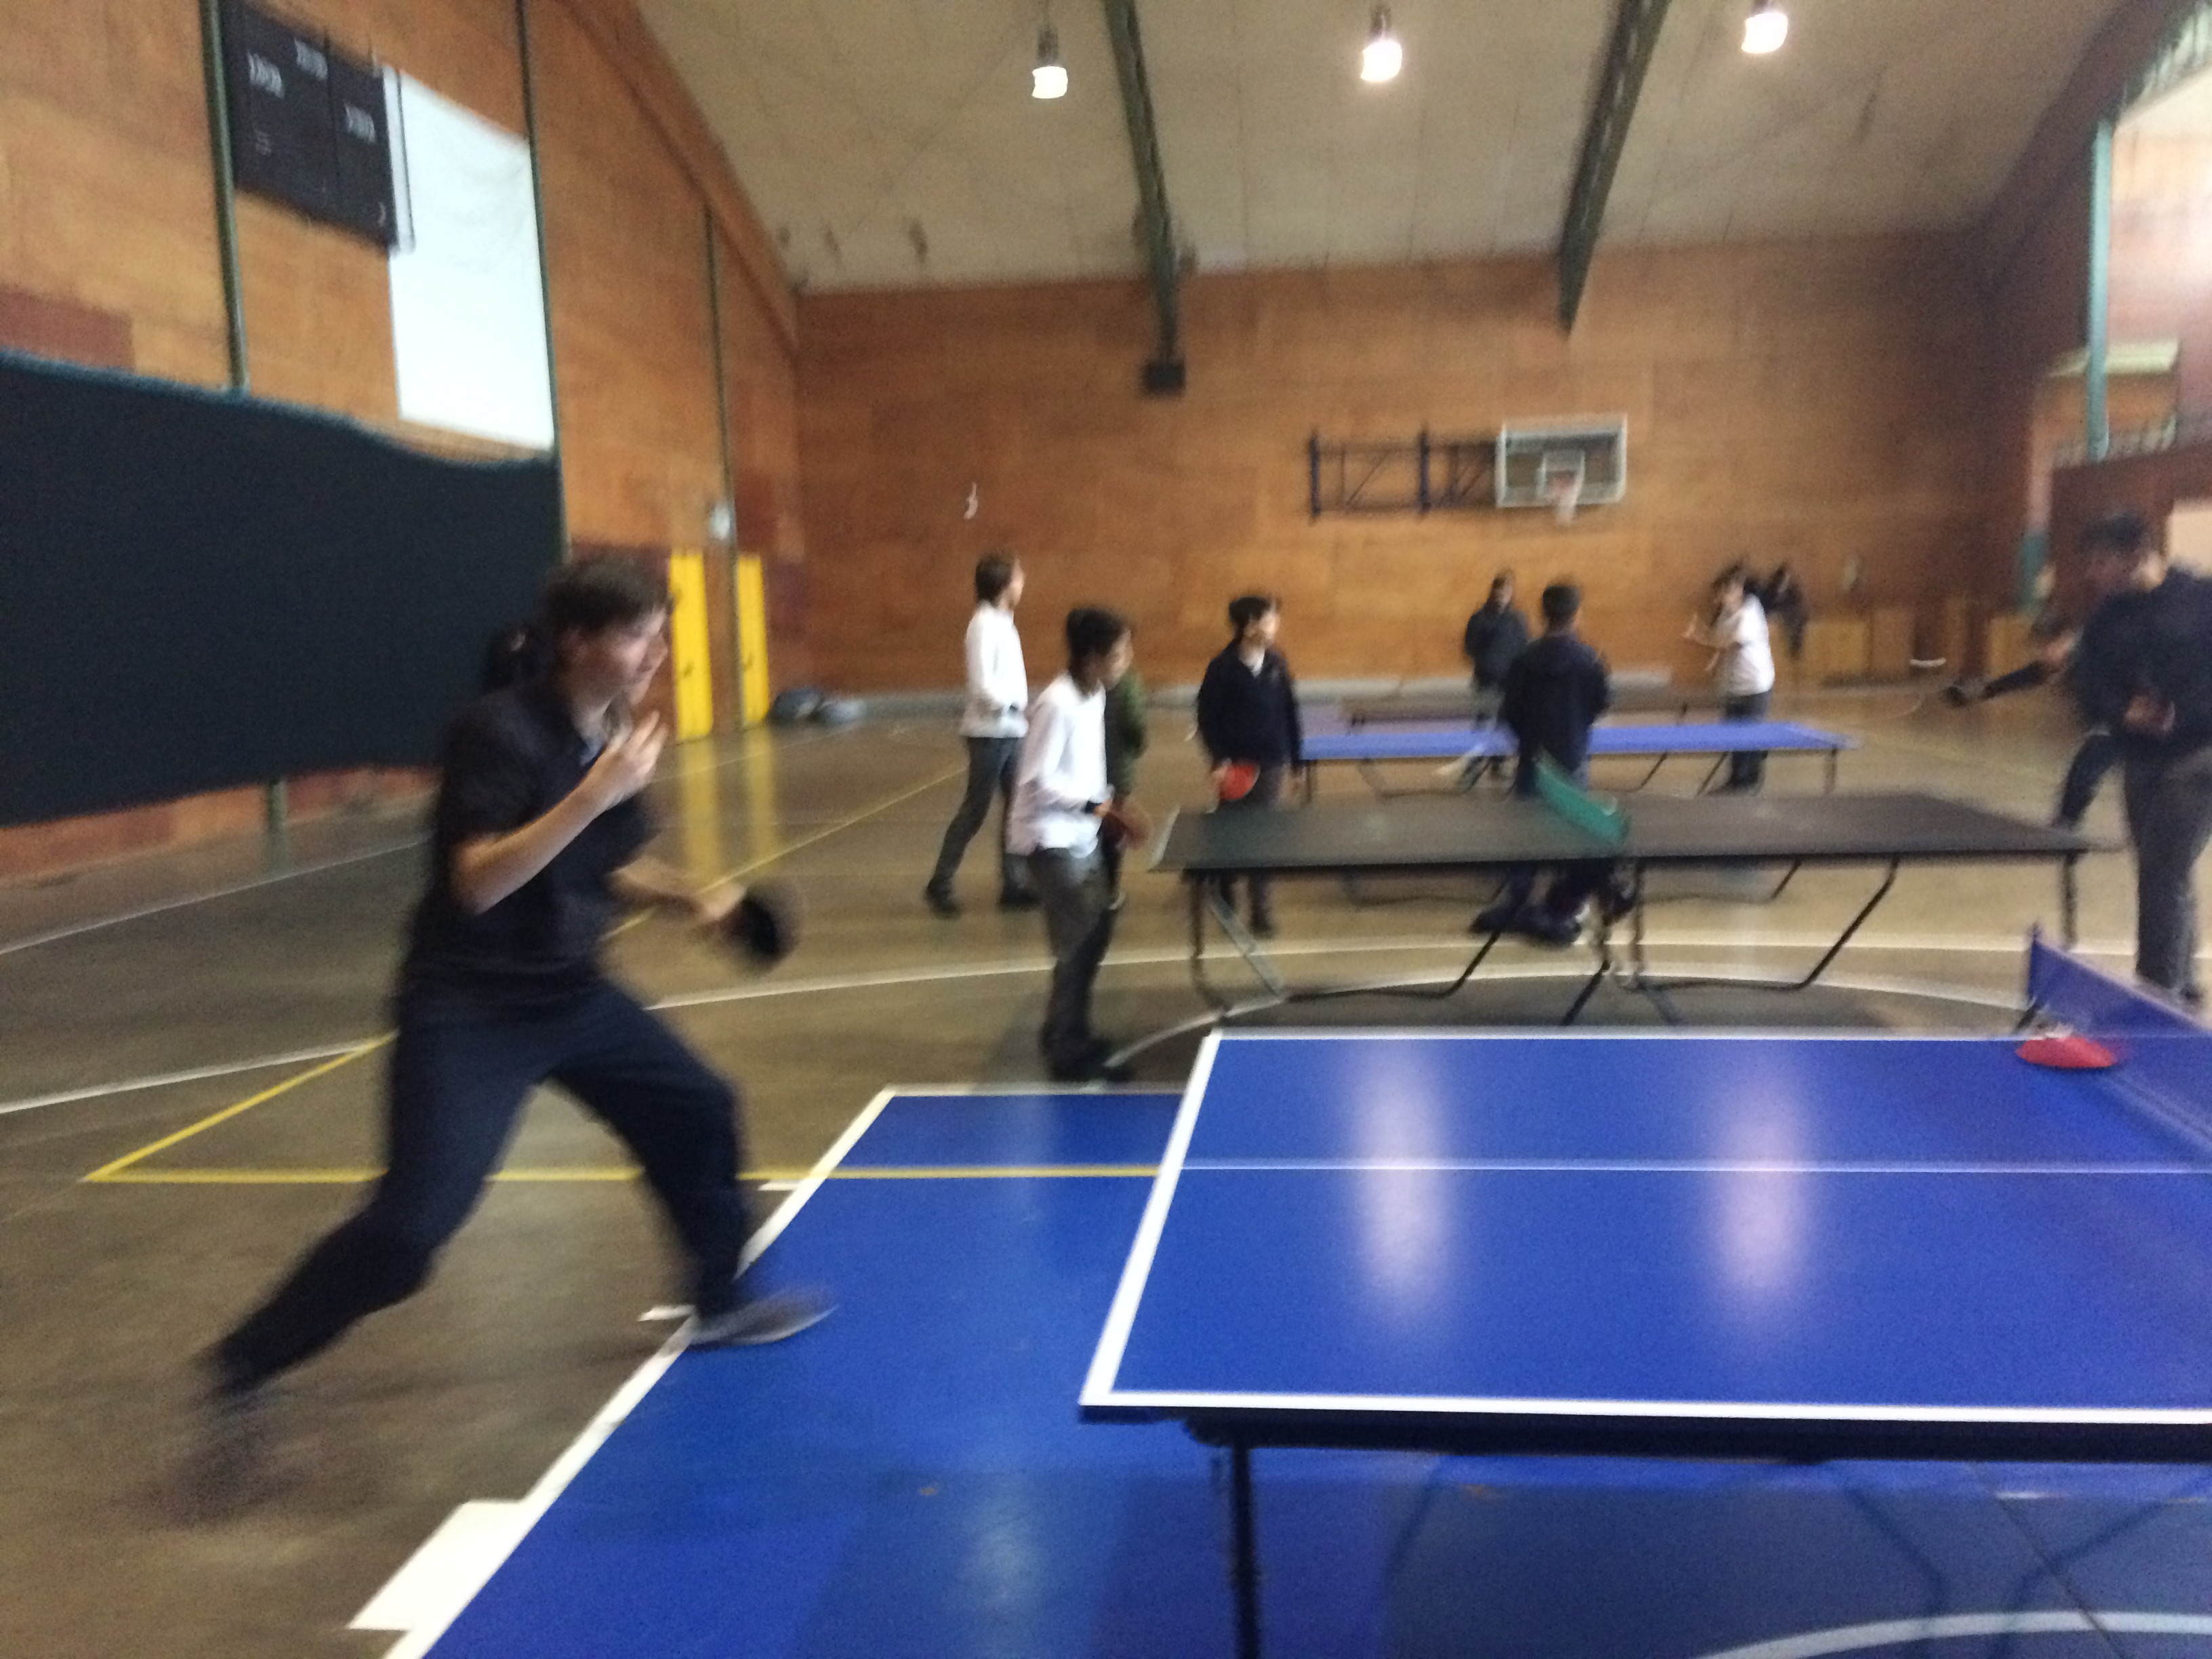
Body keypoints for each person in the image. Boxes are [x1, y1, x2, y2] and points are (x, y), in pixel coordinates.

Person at [206, 557, 829, 1427]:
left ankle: (720, 1301)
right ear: (576, 641)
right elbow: (479, 882)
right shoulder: (496, 733)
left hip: (569, 992)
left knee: (697, 1107)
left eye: (660, 634)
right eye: (638, 636)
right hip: (469, 1007)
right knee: (411, 1230)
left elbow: (601, 862)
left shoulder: (611, 732)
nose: (658, 654)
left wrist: (692, 897)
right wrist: (593, 796)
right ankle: (252, 1352)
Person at [2070, 510, 2212, 1005]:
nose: (2092, 574)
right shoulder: (2106, 618)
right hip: (2140, 758)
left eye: (2101, 562)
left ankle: (2154, 996)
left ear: (2137, 554)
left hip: (2199, 755)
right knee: (2161, 872)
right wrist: (2122, 712)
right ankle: (2182, 982)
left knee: (2160, 871)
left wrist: (2184, 715)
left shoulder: (2200, 600)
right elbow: (2087, 685)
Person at [1008, 607, 1144, 1082]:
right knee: (1077, 946)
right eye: (1119, 653)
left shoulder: (1096, 696)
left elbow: (1087, 769)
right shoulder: (1057, 704)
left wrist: (1112, 807)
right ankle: (1067, 1051)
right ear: (1091, 658)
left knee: (1094, 936)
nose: (1127, 660)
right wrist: (1096, 807)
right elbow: (1037, 781)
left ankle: (1066, 1030)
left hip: (1082, 834)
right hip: (1050, 840)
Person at [1473, 581, 1614, 945]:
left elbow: (1510, 712)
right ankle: (1564, 905)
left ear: (1542, 615)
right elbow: (1601, 703)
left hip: (1532, 759)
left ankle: (1520, 897)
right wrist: (1576, 728)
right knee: (1571, 831)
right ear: (1577, 614)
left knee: (1525, 832)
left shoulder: (1524, 660)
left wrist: (1528, 740)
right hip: (1572, 757)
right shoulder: (1589, 660)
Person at [925, 552, 1035, 917]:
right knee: (975, 810)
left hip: (1011, 731)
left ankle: (1013, 884)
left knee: (1016, 809)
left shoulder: (1004, 622)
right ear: (1004, 584)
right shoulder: (983, 626)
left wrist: (1019, 712)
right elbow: (982, 685)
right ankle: (940, 883)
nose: (1023, 582)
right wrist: (1013, 707)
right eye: (1018, 577)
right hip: (989, 734)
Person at [1942, 606, 2119, 832]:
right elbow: (2026, 677)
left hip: (2122, 722)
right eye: (2040, 647)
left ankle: (2065, 825)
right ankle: (2065, 823)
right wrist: (1979, 692)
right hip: (2109, 722)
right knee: (2087, 772)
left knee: (2085, 771)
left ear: (2067, 638)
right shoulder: (2063, 659)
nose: (2043, 653)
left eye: (2048, 645)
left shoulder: (2093, 658)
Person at [1195, 595, 1304, 937]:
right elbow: (1207, 718)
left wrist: (1296, 761)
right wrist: (1219, 760)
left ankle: (1261, 913)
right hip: (1235, 766)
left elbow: (1290, 712)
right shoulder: (1222, 668)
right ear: (1250, 625)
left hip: (1272, 761)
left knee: (1263, 839)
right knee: (1232, 836)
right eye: (1270, 620)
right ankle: (1226, 894)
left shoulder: (1277, 663)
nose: (1275, 626)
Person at [1686, 565, 1776, 792]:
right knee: (1734, 736)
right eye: (1718, 594)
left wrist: (1698, 638)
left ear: (1737, 591)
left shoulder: (1749, 613)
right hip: (1733, 686)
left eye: (1723, 593)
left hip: (1755, 685)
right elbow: (1718, 640)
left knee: (1750, 736)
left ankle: (1750, 783)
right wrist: (1704, 637)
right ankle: (1736, 780)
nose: (1719, 599)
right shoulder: (1725, 614)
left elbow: (1731, 644)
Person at [1101, 655, 1149, 906]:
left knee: (1098, 829)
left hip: (1093, 775)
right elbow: (1136, 729)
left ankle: (1100, 889)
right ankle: (1109, 891)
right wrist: (1139, 746)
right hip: (1118, 773)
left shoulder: (1083, 686)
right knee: (1113, 831)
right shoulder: (1129, 685)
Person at [1462, 571, 1530, 718]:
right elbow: (1470, 646)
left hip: (1511, 680)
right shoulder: (1479, 619)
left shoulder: (1518, 619)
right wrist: (1487, 664)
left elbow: (1524, 645)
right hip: (1487, 680)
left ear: (1511, 594)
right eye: (1498, 592)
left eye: (1505, 592)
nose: (1501, 596)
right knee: (1484, 718)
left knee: (1509, 718)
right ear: (1492, 592)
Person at [1760, 564, 1809, 662]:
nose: (1786, 580)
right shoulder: (1770, 588)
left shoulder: (1792, 590)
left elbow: (1796, 604)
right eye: (1785, 577)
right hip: (1773, 613)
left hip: (1787, 615)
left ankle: (1795, 649)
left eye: (1788, 578)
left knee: (1797, 620)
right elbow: (1766, 604)